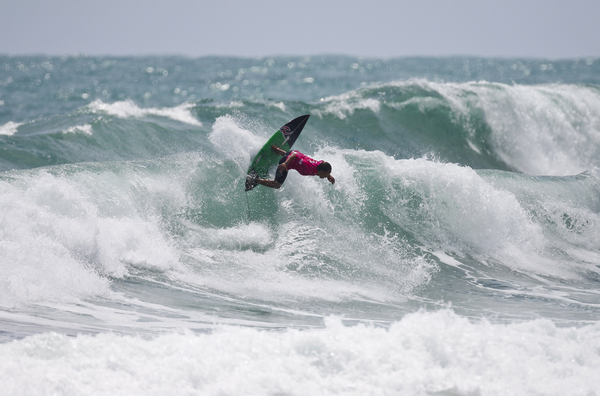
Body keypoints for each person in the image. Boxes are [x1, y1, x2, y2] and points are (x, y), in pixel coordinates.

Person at [250, 145, 335, 189]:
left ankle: (277, 150)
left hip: (292, 153)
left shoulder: (319, 165)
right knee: (277, 185)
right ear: (322, 172)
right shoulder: (307, 166)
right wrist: (285, 164)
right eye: (327, 173)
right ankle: (255, 180)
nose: (326, 176)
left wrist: (329, 175)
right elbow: (294, 155)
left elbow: (323, 163)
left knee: (294, 160)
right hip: (286, 162)